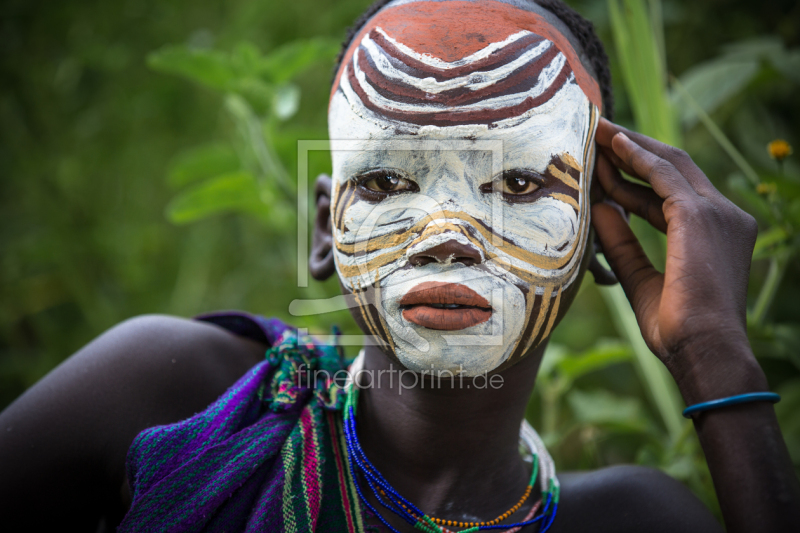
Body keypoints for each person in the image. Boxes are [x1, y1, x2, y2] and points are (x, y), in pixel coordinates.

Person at [1, 0, 798, 531]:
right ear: (324, 228)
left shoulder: (634, 521)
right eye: (386, 181)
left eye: (518, 183)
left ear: (595, 229)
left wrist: (714, 353)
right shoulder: (174, 402)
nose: (446, 235)